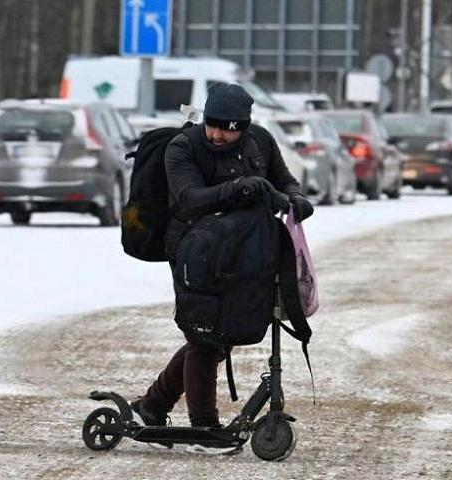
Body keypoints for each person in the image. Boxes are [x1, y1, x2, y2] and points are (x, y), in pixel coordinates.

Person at [129, 83, 314, 454]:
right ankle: (204, 426)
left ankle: (152, 405)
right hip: (194, 249)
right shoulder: (183, 147)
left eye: (230, 128)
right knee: (205, 333)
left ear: (244, 126)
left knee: (225, 330)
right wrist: (239, 188)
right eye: (213, 125)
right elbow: (189, 197)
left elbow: (284, 178)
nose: (219, 134)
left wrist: (296, 198)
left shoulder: (260, 141)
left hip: (246, 250)